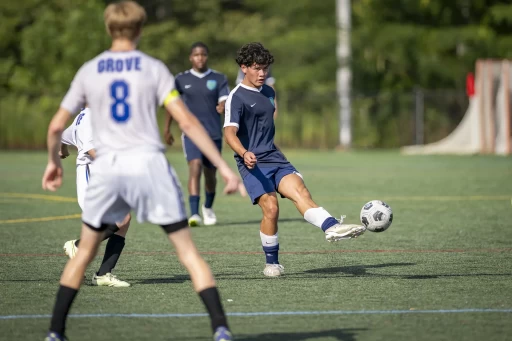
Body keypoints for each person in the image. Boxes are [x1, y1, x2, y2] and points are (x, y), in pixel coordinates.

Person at [41, 2, 239, 340]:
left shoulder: (90, 70)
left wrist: (53, 162)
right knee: (188, 252)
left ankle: (56, 332)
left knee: (84, 251)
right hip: (149, 165)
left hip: (109, 169)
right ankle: (221, 328)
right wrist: (222, 166)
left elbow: (57, 125)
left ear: (109, 29)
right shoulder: (153, 68)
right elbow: (187, 122)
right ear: (140, 29)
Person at [223, 42, 366, 278]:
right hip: (251, 161)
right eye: (257, 68)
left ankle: (331, 227)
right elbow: (229, 134)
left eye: (265, 69)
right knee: (271, 209)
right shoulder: (235, 97)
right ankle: (272, 263)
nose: (262, 74)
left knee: (300, 193)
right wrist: (244, 152)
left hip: (275, 157)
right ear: (244, 67)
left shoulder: (269, 92)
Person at [60, 107, 131, 287]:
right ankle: (78, 246)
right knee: (121, 219)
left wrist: (63, 150)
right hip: (92, 178)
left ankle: (103, 274)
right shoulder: (90, 116)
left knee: (124, 221)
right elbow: (92, 149)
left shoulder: (88, 114)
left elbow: (62, 135)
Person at [164, 42, 229, 227]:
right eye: (196, 55)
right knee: (195, 166)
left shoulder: (218, 78)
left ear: (207, 57)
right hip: (191, 135)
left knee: (210, 175)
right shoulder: (181, 79)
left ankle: (207, 208)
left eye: (203, 55)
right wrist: (167, 129)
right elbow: (171, 104)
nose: (200, 58)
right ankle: (193, 214)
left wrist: (223, 106)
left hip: (213, 135)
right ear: (190, 58)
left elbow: (225, 99)